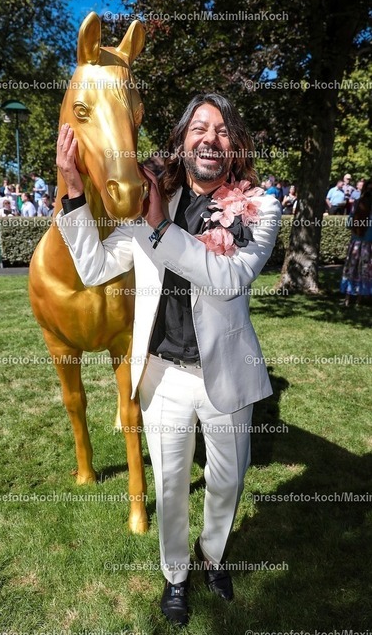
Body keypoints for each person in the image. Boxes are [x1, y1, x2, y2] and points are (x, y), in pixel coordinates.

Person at [56, 93, 280, 627]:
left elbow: (227, 279)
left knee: (228, 481)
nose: (210, 138)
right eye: (199, 128)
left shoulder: (261, 207)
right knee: (171, 485)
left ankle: (214, 556)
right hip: (162, 374)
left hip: (228, 375)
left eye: (222, 130)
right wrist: (74, 193)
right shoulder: (152, 200)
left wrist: (161, 229)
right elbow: (94, 267)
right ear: (182, 141)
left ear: (236, 145)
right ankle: (176, 574)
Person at [340, 179, 372, 306]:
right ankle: (361, 298)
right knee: (365, 270)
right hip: (369, 244)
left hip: (356, 242)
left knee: (352, 269)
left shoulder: (358, 203)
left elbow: (349, 223)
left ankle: (348, 298)